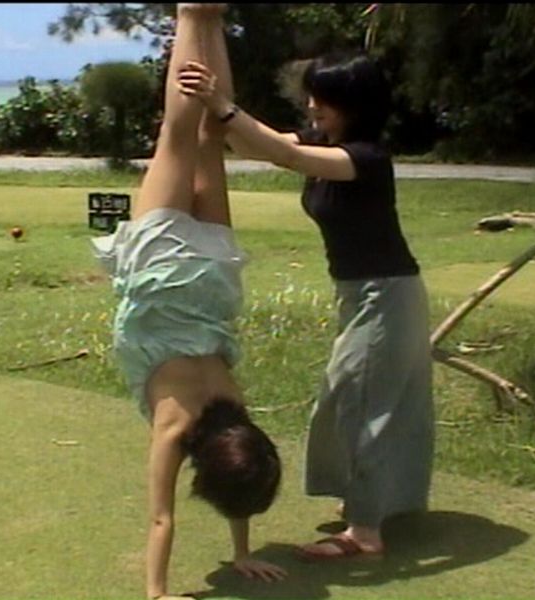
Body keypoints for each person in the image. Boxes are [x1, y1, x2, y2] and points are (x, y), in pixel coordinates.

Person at [179, 43, 435, 561]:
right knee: (346, 398)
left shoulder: (365, 158)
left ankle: (365, 533)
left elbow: (287, 156)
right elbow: (258, 146)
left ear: (356, 103)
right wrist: (213, 109)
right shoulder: (324, 140)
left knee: (363, 402)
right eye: (312, 96)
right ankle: (369, 501)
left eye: (324, 98)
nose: (312, 106)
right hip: (360, 294)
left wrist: (222, 104)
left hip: (387, 293)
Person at [91, 4, 287, 598]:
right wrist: (156, 595)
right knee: (177, 134)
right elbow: (161, 519)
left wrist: (244, 552)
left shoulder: (237, 410)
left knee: (208, 134)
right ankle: (188, 12)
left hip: (213, 276)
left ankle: (210, 17)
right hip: (160, 270)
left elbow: (242, 470)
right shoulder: (175, 430)